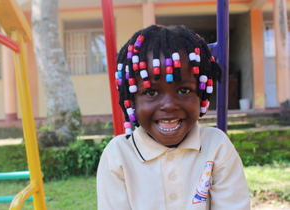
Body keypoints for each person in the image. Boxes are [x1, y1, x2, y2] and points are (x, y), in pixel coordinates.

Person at [97, 25, 250, 210]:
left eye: (184, 90)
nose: (169, 105)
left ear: (200, 94)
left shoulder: (216, 147)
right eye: (151, 92)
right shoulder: (118, 156)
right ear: (132, 100)